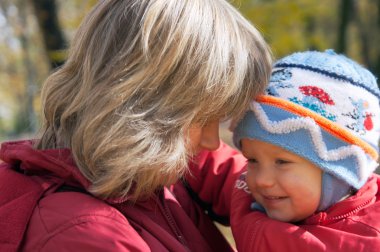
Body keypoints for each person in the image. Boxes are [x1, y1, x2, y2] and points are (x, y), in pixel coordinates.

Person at [0, 0, 272, 251]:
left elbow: (233, 172)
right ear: (149, 106)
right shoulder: (85, 234)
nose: (213, 142)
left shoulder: (143, 174)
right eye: (203, 118)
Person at [230, 49, 380, 251]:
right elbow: (219, 168)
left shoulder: (364, 242)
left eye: (282, 162)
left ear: (340, 172)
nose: (261, 180)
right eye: (253, 160)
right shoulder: (250, 194)